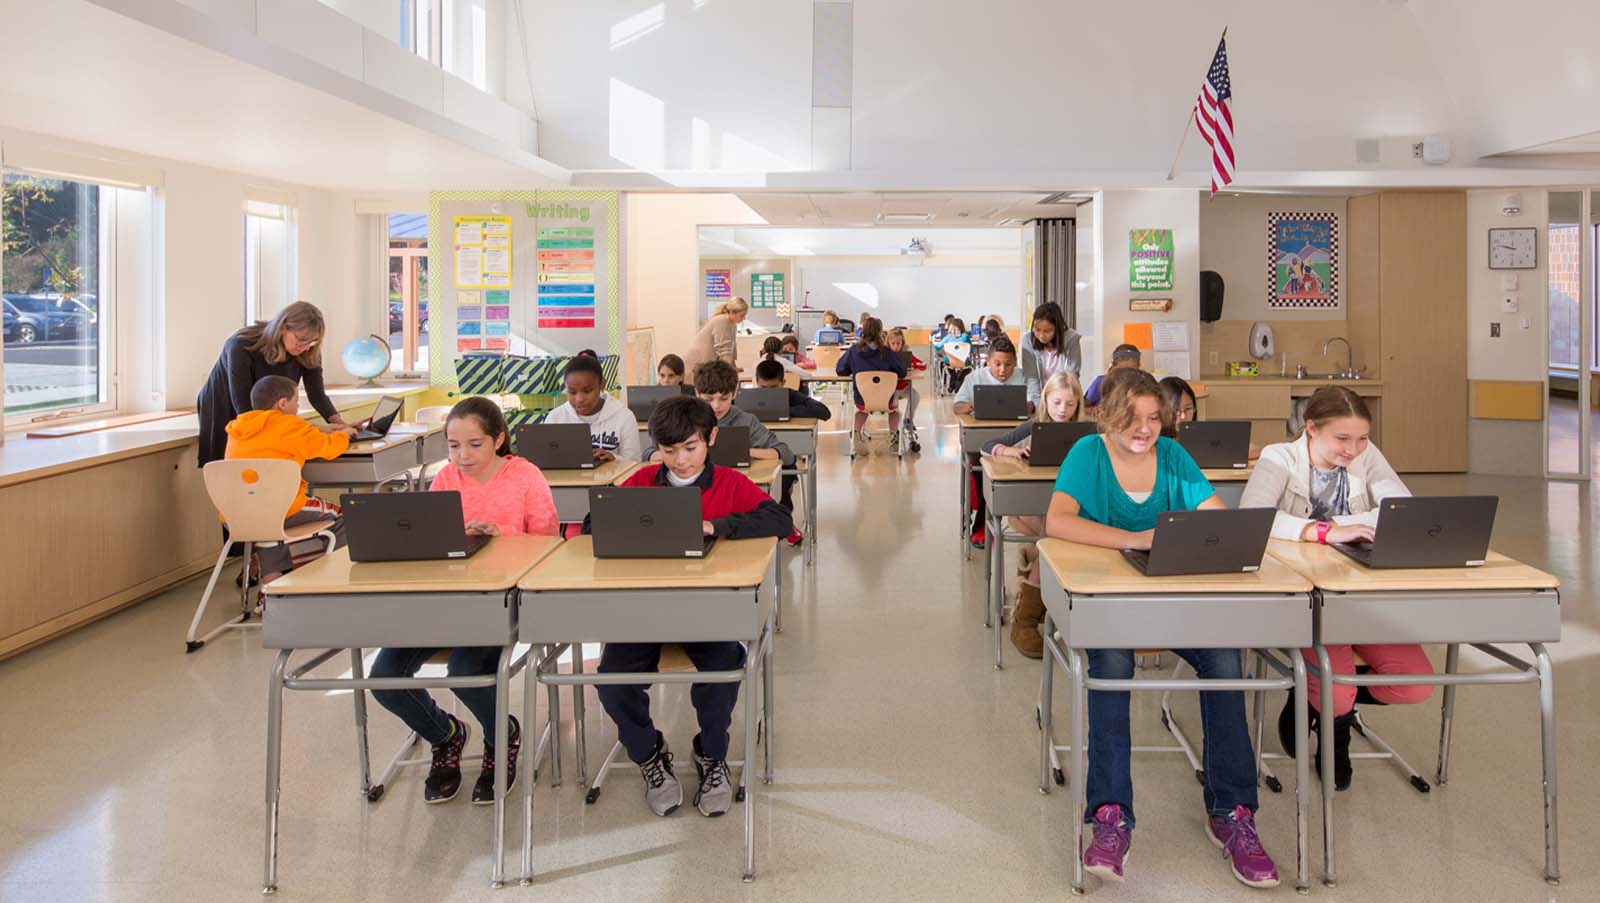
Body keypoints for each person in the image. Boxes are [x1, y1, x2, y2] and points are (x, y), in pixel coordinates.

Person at [1043, 369, 1281, 889]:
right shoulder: (1088, 453)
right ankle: (1111, 816)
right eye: (1132, 418)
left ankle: (1232, 812)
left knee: (1224, 659)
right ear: (1108, 417)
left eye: (1154, 418)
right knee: (1111, 667)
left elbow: (1216, 518)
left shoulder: (1174, 457)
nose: (1145, 428)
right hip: (1108, 605)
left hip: (1171, 600)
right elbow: (1058, 522)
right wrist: (1136, 538)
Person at [590, 395, 794, 818]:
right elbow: (593, 524)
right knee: (611, 680)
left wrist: (716, 526)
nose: (680, 460)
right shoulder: (643, 481)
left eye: (690, 448)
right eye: (669, 451)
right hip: (643, 613)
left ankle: (712, 755)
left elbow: (779, 522)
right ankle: (649, 754)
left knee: (725, 669)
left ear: (711, 439)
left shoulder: (731, 485)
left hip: (707, 611)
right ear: (656, 449)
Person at [1240, 386, 1431, 791]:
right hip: (1305, 596)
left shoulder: (1366, 455)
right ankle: (1335, 731)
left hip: (1360, 592)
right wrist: (1322, 530)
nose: (1354, 448)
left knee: (1413, 684)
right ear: (1311, 428)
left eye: (1362, 438)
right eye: (1342, 439)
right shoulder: (1280, 456)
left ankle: (1310, 695)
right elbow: (1254, 518)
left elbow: (1402, 507)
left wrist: (1374, 520)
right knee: (1337, 688)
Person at [370, 397, 559, 805]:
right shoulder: (445, 479)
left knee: (464, 668)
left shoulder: (525, 475)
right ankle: (446, 735)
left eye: (474, 444)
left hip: (500, 601)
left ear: (498, 440)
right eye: (453, 445)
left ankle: (500, 736)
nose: (462, 455)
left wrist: (500, 535)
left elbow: (550, 544)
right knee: (383, 676)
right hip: (444, 600)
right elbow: (429, 540)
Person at [980, 371, 1085, 657]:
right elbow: (988, 446)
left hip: (1064, 510)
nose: (1063, 410)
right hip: (1026, 509)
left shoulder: (1086, 435)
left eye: (1070, 404)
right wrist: (1008, 452)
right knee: (1050, 535)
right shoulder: (1032, 427)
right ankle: (1025, 620)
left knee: (1054, 534)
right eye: (1057, 402)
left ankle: (1037, 609)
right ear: (1046, 400)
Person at [645, 361, 803, 539]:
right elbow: (648, 453)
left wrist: (746, 451)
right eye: (708, 399)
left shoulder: (746, 420)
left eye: (723, 398)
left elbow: (785, 453)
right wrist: (665, 453)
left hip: (732, 491)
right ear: (697, 393)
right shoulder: (681, 421)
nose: (715, 406)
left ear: (734, 393)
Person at [223, 375, 357, 580]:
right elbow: (328, 448)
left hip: (237, 513)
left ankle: (270, 586)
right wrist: (345, 434)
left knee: (267, 526)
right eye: (297, 400)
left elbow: (275, 435)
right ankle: (335, 578)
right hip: (281, 508)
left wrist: (315, 430)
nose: (298, 405)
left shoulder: (238, 428)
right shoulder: (290, 426)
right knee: (343, 517)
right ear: (282, 403)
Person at [198, 301, 350, 467]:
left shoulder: (308, 350)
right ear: (283, 327)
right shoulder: (241, 345)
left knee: (270, 460)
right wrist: (311, 429)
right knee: (230, 464)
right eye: (300, 339)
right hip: (225, 403)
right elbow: (244, 410)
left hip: (261, 408)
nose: (305, 347)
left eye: (311, 342)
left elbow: (316, 394)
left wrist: (338, 423)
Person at [954, 334, 1037, 547]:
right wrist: (978, 405)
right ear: (988, 361)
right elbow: (958, 406)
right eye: (997, 364)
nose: (1003, 370)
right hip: (982, 441)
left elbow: (1035, 406)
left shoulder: (1023, 376)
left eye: (1008, 365)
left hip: (1016, 440)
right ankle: (981, 521)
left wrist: (1022, 405)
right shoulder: (975, 377)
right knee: (982, 466)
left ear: (1015, 363)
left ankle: (999, 518)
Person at [544, 354, 641, 462]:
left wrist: (614, 459)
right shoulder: (555, 418)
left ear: (602, 385)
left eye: (587, 391)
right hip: (568, 479)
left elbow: (634, 463)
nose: (580, 399)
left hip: (612, 479)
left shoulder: (624, 417)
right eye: (572, 392)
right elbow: (546, 460)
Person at [834, 316, 908, 451]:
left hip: (862, 401)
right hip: (887, 401)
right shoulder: (886, 352)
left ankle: (856, 433)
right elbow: (902, 371)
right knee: (894, 409)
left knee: (864, 406)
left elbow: (840, 370)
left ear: (862, 331)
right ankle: (892, 435)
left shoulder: (853, 351)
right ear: (880, 333)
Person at [1159, 376, 1261, 460]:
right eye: (1176, 410)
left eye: (1188, 409)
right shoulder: (1153, 439)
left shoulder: (1200, 433)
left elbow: (1254, 450)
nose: (1183, 416)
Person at [884, 327, 927, 453]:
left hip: (904, 387)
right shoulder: (885, 355)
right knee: (894, 405)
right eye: (893, 344)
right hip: (891, 390)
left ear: (903, 343)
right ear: (888, 343)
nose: (896, 346)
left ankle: (908, 420)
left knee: (916, 396)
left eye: (899, 343)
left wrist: (914, 365)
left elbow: (923, 365)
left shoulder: (907, 355)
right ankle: (894, 432)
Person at [684, 297, 749, 380]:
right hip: (696, 365)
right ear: (732, 312)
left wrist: (733, 367)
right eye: (742, 315)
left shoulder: (732, 324)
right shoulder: (722, 320)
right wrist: (729, 371)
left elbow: (731, 347)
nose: (744, 318)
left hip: (705, 366)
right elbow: (724, 349)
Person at [1020, 302, 1083, 386]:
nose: (1041, 335)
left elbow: (1072, 375)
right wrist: (1038, 399)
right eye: (1037, 329)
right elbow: (1031, 378)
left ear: (1057, 329)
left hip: (1066, 393)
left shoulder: (1071, 339)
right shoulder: (1027, 340)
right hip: (1040, 395)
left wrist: (1060, 398)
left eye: (1047, 331)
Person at [753, 360, 831, 421]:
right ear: (757, 382)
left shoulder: (789, 395)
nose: (768, 393)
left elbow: (824, 412)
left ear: (783, 383)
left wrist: (785, 411)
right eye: (763, 387)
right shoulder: (749, 398)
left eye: (774, 387)